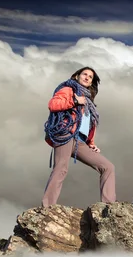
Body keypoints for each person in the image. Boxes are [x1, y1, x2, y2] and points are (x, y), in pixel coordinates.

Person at [42, 67, 116, 207]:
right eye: (84, 74)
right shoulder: (68, 90)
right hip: (66, 134)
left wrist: (91, 143)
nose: (87, 77)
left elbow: (86, 123)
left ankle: (109, 205)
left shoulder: (88, 100)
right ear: (77, 76)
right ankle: (48, 206)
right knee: (61, 168)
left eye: (90, 77)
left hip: (81, 141)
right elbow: (53, 104)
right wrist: (75, 102)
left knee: (108, 167)